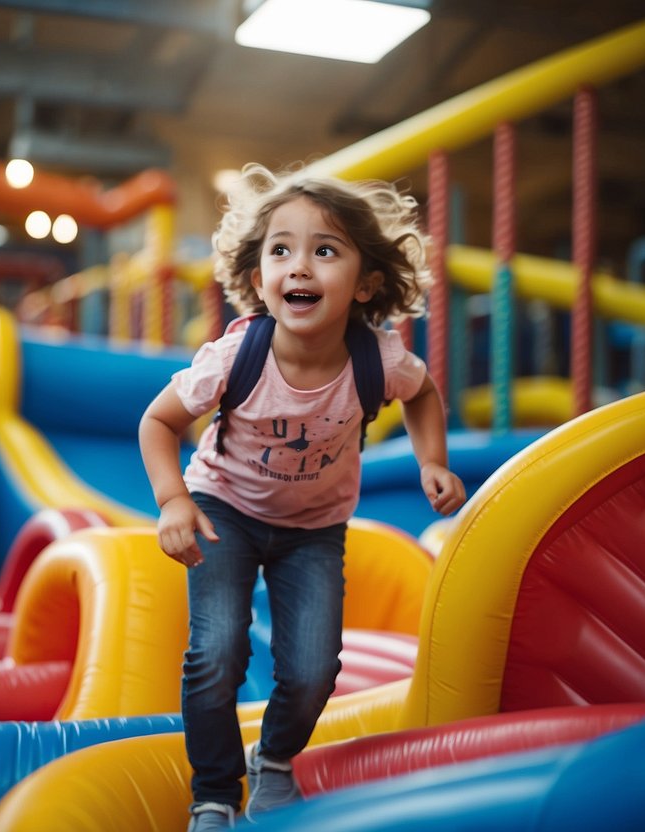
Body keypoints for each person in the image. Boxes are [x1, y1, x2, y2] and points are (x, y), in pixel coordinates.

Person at [138, 162, 467, 831]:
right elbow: (157, 421)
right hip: (224, 507)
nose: (300, 267)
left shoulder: (379, 360)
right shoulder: (235, 359)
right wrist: (174, 501)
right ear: (258, 281)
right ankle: (212, 793)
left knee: (315, 667)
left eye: (325, 251)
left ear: (365, 283)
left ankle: (277, 759)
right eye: (280, 250)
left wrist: (432, 459)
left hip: (314, 527)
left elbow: (424, 392)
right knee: (217, 651)